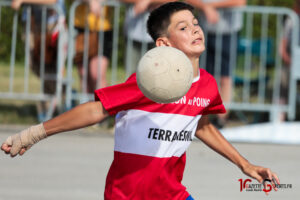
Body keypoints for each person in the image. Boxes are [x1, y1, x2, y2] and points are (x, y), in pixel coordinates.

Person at [2, 2, 279, 200]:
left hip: (173, 195)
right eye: (183, 27)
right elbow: (96, 110)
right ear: (164, 44)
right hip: (127, 195)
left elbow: (202, 126)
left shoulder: (206, 84)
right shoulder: (149, 82)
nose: (195, 30)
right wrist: (35, 133)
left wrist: (245, 165)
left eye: (195, 23)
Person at [120, 0, 219, 75]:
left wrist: (148, 1)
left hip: (159, 35)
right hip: (134, 34)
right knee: (133, 74)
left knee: (160, 73)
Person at [11, 0, 67, 122]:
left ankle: (48, 106)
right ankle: (64, 94)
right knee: (35, 65)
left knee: (51, 67)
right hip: (32, 22)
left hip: (53, 24)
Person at [199, 0, 246, 128]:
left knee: (225, 77)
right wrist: (205, 7)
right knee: (205, 77)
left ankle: (221, 118)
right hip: (205, 31)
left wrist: (211, 6)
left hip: (228, 33)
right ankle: (203, 116)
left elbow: (240, 2)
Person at [73, 0, 113, 93]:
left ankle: (102, 106)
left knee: (97, 74)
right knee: (84, 74)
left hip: (103, 28)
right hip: (80, 27)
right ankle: (88, 105)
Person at [279, 0, 300, 121]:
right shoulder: (291, 20)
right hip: (292, 64)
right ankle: (279, 118)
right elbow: (282, 49)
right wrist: (290, 61)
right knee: (283, 77)